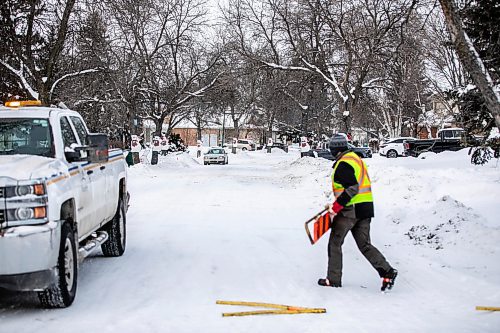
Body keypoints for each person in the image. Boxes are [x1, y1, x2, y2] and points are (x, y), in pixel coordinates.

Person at [318, 134, 397, 291]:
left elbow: (352, 188)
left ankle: (333, 279)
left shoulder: (343, 164)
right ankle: (387, 272)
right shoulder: (356, 159)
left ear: (335, 149)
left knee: (335, 243)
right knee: (365, 245)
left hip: (349, 211)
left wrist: (336, 207)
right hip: (365, 208)